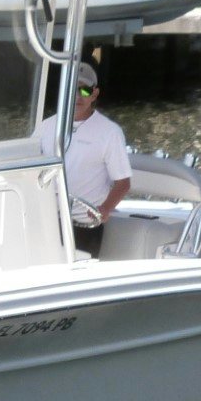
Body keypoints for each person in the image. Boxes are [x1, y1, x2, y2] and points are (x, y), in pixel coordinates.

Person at [34, 62, 130, 257]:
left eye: (85, 90)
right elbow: (29, 165)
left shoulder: (110, 132)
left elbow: (123, 183)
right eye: (72, 89)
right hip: (47, 220)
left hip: (85, 227)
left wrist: (105, 209)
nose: (78, 96)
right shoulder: (46, 126)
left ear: (94, 94)